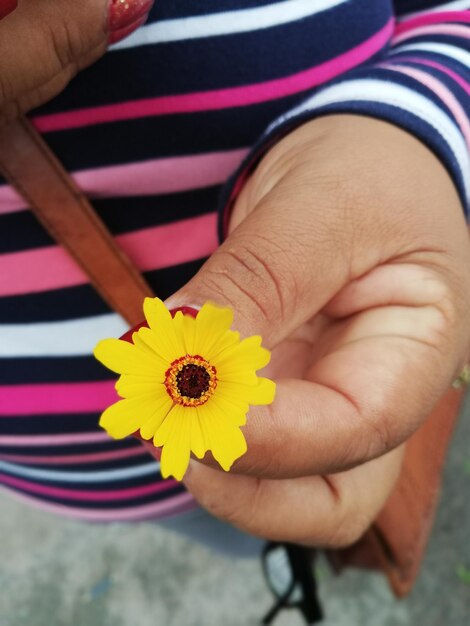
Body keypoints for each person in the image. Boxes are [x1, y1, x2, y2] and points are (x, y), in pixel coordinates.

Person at [0, 0, 469, 555]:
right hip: (72, 485)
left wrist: (422, 134)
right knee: (234, 532)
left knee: (265, 534)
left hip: (304, 391)